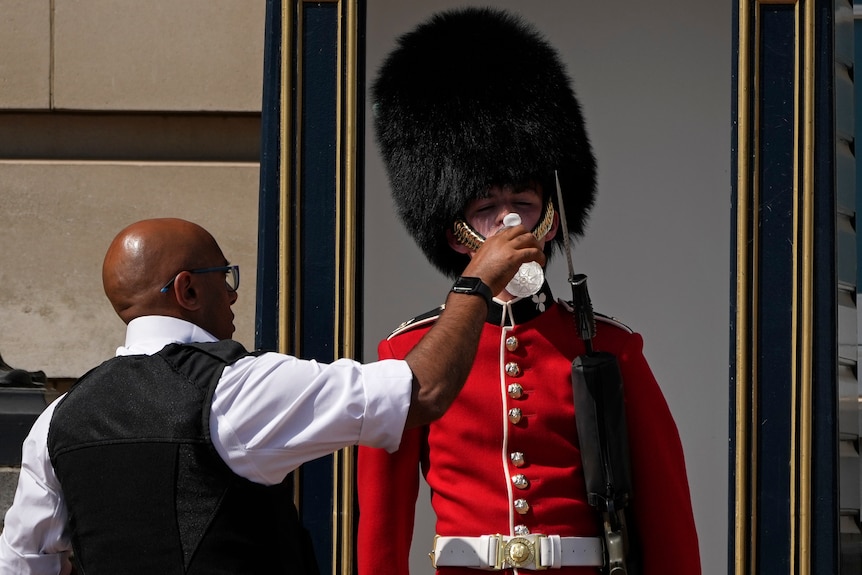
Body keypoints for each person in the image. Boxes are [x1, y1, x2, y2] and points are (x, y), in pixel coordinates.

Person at [357, 7, 701, 574]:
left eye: (524, 202)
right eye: (487, 207)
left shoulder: (611, 348)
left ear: (553, 218)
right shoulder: (406, 355)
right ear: (456, 232)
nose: (510, 221)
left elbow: (668, 520)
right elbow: (383, 532)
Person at [0, 216, 545, 575]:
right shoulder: (236, 389)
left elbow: (24, 563)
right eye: (224, 277)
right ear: (189, 289)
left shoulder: (56, 421)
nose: (234, 293)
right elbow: (422, 391)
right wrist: (474, 284)